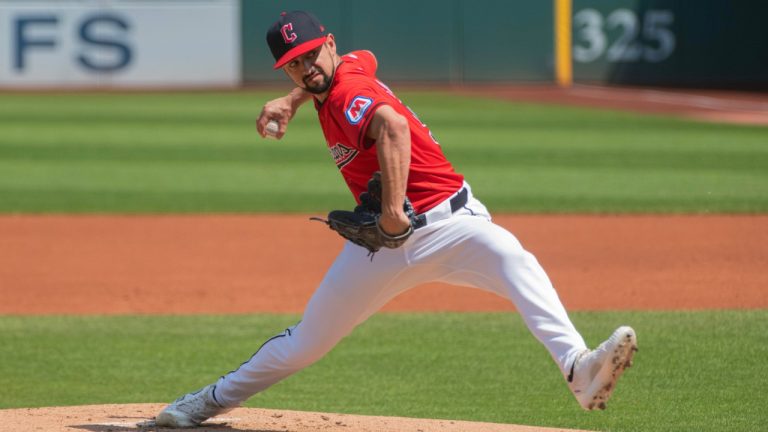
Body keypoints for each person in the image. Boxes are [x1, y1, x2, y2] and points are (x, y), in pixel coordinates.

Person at [155, 10, 638, 428]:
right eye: (293, 65)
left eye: (310, 55)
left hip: (450, 224)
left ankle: (579, 368)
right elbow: (359, 58)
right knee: (305, 343)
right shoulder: (342, 71)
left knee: (514, 258)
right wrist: (293, 100)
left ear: (329, 44)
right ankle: (206, 402)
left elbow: (393, 125)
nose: (306, 69)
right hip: (384, 247)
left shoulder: (347, 96)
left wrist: (389, 214)